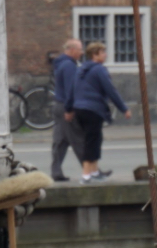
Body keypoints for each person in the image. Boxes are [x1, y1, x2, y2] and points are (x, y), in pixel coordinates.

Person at [65, 42, 130, 184]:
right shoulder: (99, 70)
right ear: (94, 55)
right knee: (92, 141)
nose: (105, 55)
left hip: (79, 109)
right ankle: (86, 175)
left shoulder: (80, 70)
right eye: (102, 52)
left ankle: (94, 172)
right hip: (93, 109)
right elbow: (111, 90)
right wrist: (123, 108)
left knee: (95, 139)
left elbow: (71, 90)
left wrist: (69, 109)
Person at [50, 39, 87, 183]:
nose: (82, 52)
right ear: (71, 50)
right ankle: (90, 171)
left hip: (58, 105)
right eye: (80, 49)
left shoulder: (61, 63)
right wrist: (70, 109)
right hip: (66, 107)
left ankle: (56, 171)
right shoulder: (69, 66)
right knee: (79, 139)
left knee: (60, 141)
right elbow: (71, 89)